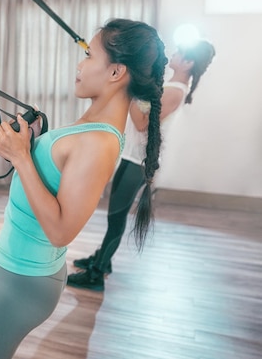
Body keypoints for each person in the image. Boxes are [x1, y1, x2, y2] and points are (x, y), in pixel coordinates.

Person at [0, 18, 168, 359]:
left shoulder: (99, 142)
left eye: (88, 55)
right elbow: (57, 179)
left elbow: (61, 230)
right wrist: (34, 145)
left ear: (116, 72)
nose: (80, 64)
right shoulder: (93, 126)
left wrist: (23, 157)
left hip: (21, 281)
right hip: (19, 272)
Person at [67, 39, 215, 291]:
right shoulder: (170, 86)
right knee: (114, 213)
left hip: (141, 162)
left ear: (188, 63)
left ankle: (97, 272)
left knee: (116, 216)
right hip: (132, 155)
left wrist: (129, 92)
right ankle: (103, 258)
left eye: (180, 53)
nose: (174, 53)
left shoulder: (175, 90)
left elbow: (141, 123)